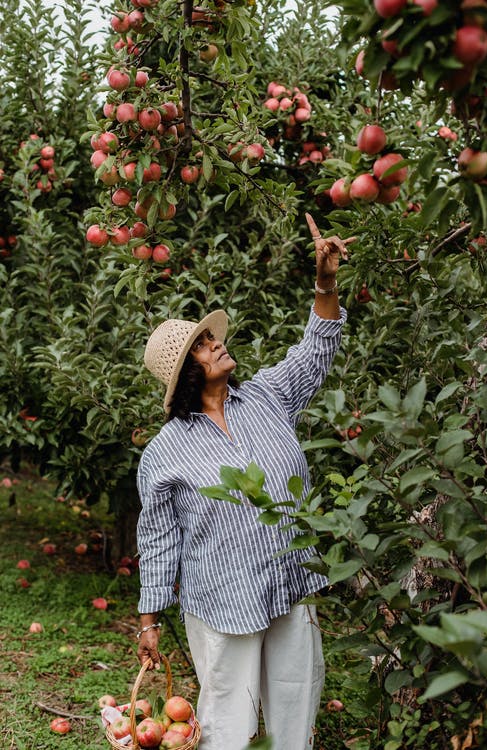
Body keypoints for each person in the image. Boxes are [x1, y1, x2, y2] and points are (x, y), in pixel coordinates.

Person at [135, 213, 354, 750]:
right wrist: (148, 620)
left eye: (212, 339)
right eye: (206, 346)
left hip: (289, 580)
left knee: (295, 694)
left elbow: (315, 350)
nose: (218, 346)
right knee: (228, 711)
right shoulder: (165, 452)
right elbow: (159, 540)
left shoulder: (266, 397)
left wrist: (325, 283)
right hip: (224, 596)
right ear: (188, 371)